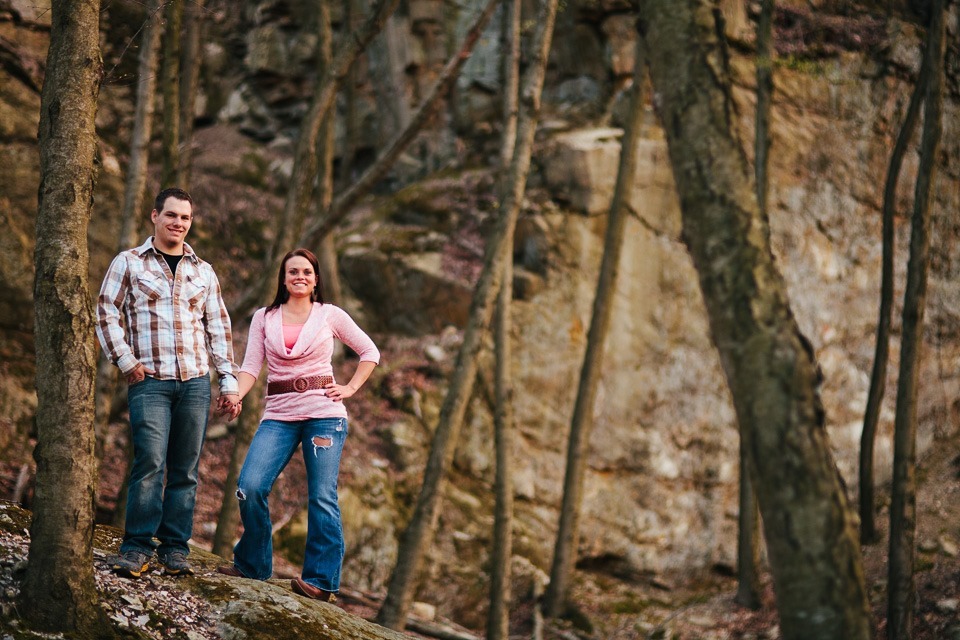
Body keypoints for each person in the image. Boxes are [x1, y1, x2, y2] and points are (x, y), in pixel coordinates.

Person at [216, 248, 379, 603]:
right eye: (293, 271)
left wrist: (350, 387)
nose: (300, 277)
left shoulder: (330, 315)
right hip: (278, 415)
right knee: (250, 486)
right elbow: (250, 366)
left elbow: (370, 352)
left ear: (316, 278)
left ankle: (321, 581)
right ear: (283, 278)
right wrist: (237, 395)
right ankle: (253, 564)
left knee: (322, 495)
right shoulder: (265, 317)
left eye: (306, 271)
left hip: (324, 413)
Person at [96, 187, 240, 578]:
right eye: (172, 215)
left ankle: (175, 548)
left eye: (185, 218)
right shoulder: (128, 263)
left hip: (195, 383)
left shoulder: (203, 271)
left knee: (186, 469)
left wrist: (228, 381)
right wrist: (125, 361)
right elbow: (106, 312)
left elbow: (219, 329)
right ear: (154, 216)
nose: (178, 223)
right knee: (150, 463)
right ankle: (137, 546)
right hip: (151, 382)